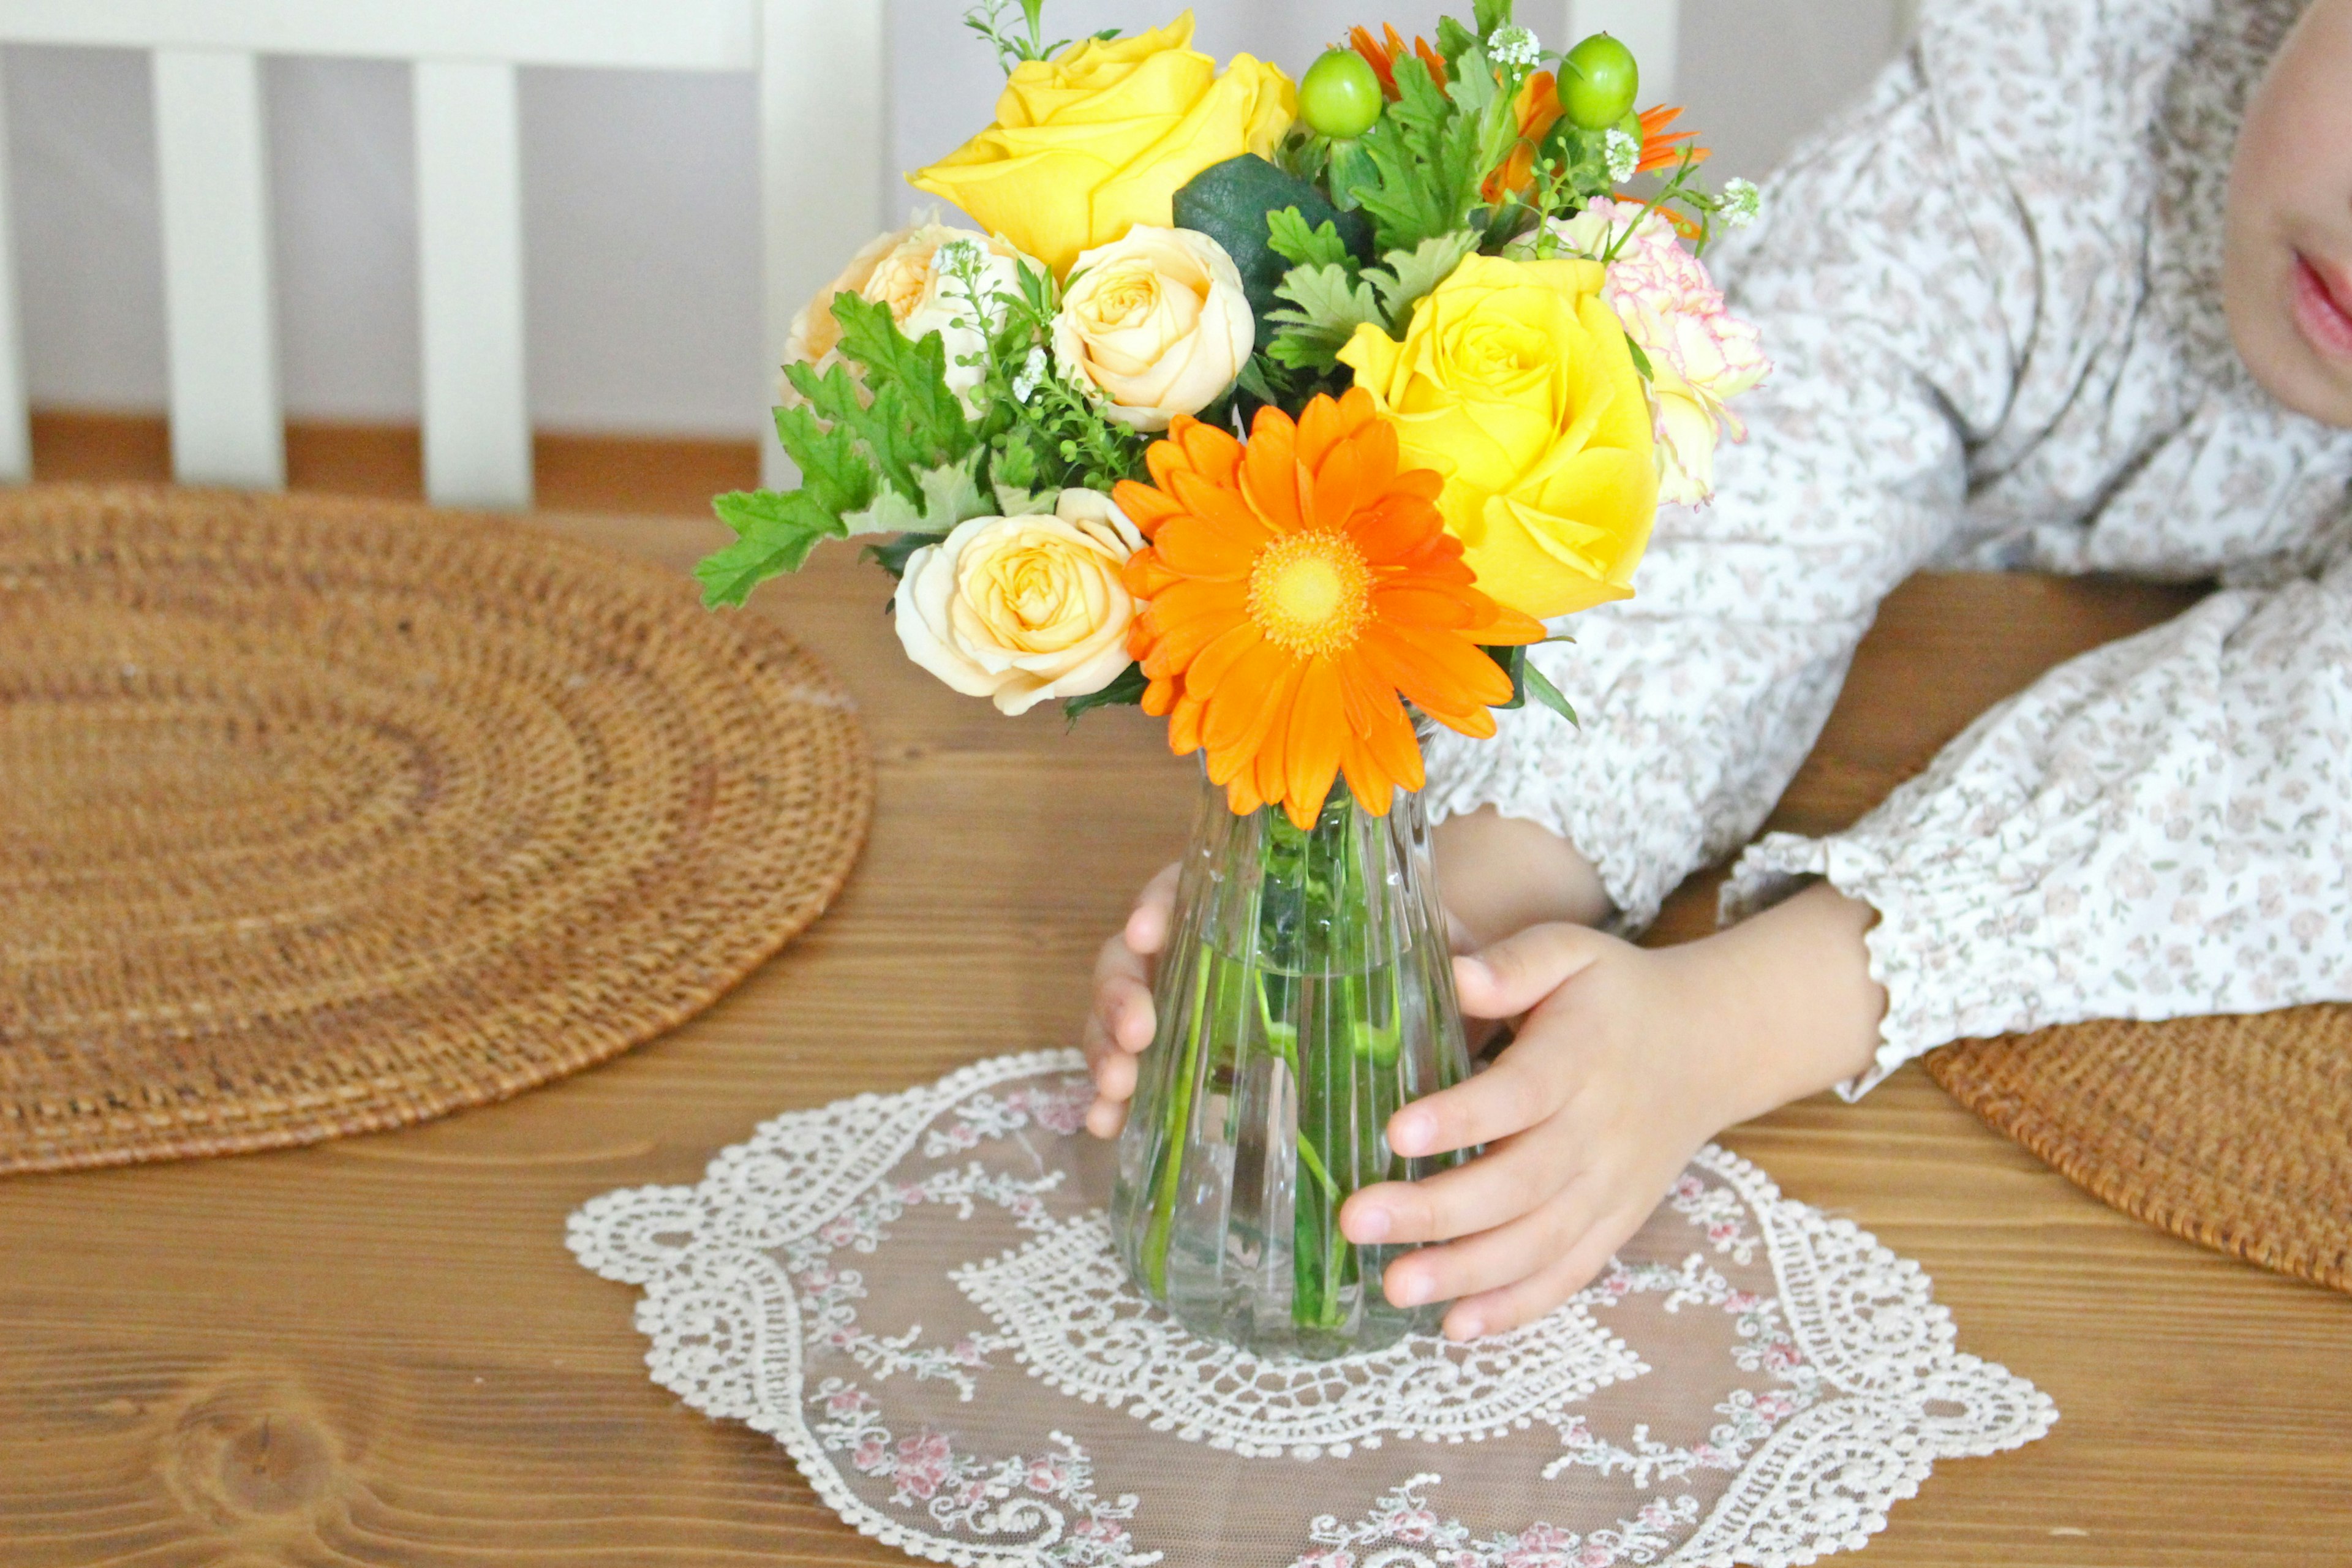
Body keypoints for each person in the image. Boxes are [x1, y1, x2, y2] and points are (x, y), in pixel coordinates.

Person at [1082, 0, 2352, 1340]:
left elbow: (2304, 765)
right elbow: (1750, 519)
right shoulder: (2039, 122)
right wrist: (1448, 934)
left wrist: (1711, 1031)